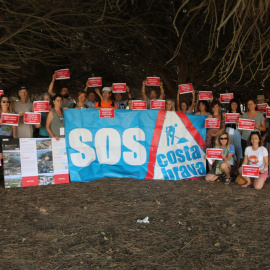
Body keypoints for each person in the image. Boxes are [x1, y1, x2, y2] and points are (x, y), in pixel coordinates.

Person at [224, 99, 243, 170]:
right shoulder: (226, 114)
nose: (234, 105)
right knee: (228, 147)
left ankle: (237, 168)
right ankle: (229, 167)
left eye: (235, 104)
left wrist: (239, 122)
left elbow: (242, 129)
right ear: (230, 105)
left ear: (237, 106)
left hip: (237, 131)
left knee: (238, 148)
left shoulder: (241, 115)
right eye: (232, 104)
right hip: (228, 131)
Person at [0, 95, 17, 159]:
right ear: (0, 103)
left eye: (7, 101)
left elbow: (14, 127)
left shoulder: (12, 113)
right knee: (1, 156)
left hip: (10, 137)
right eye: (4, 101)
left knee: (8, 156)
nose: (6, 103)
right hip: (0, 137)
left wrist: (14, 136)